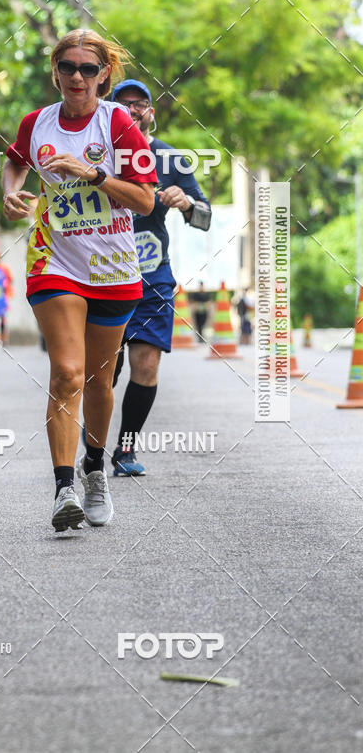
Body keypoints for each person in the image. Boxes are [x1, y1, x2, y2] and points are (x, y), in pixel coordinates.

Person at [3, 28, 156, 532]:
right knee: (67, 372)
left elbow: (145, 200)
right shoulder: (36, 123)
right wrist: (11, 191)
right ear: (55, 72)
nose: (77, 77)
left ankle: (96, 467)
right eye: (67, 67)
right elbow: (15, 161)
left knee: (98, 377)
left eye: (88, 69)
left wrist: (90, 175)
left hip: (112, 266)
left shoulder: (117, 125)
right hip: (56, 260)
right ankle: (63, 487)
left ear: (103, 75)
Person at [109, 79, 211, 475]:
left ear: (151, 113)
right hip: (102, 276)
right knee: (105, 370)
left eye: (141, 104)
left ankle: (126, 449)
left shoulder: (169, 159)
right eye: (124, 104)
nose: (133, 110)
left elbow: (204, 217)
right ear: (111, 111)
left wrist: (185, 203)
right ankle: (93, 440)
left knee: (146, 365)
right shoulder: (97, 154)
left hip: (152, 275)